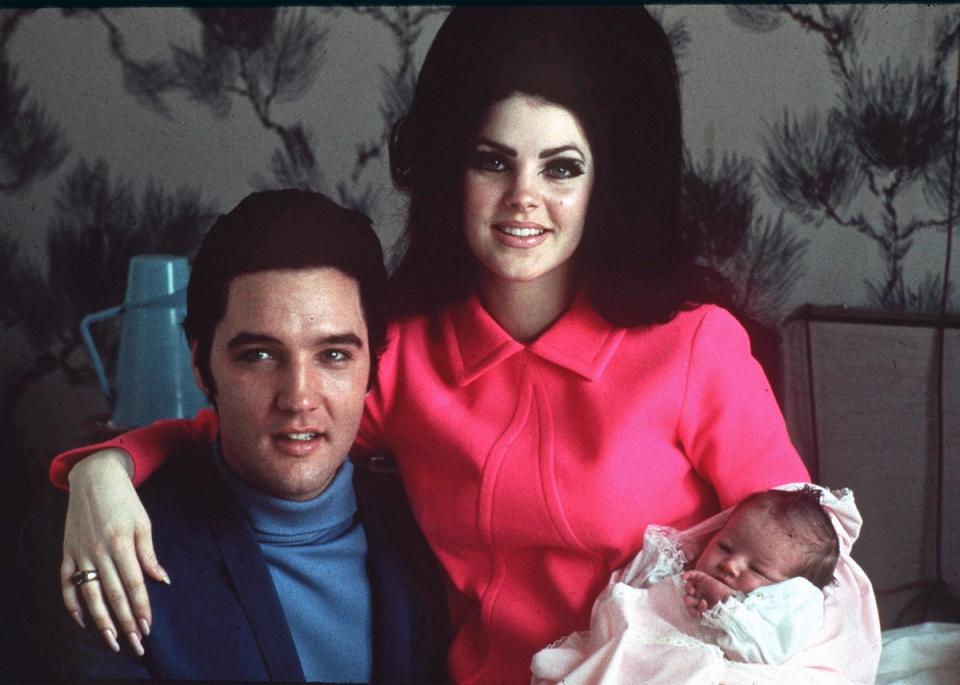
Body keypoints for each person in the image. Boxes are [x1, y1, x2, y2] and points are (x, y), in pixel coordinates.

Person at [46, 7, 881, 684]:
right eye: (493, 162)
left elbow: (806, 562)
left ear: (608, 182)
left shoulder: (696, 347)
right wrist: (102, 469)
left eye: (561, 168)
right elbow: (253, 422)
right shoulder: (403, 352)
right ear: (454, 170)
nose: (524, 199)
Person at [25, 190, 447, 682]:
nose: (298, 397)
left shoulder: (430, 527)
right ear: (202, 366)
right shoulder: (105, 548)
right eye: (260, 355)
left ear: (373, 365)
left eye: (333, 355)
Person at [530, 484, 862, 684]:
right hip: (641, 650)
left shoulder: (790, 607)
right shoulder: (683, 567)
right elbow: (643, 599)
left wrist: (725, 607)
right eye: (725, 547)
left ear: (790, 588)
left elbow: (764, 649)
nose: (730, 565)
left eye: (758, 569)